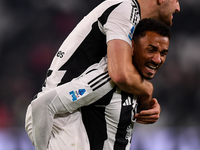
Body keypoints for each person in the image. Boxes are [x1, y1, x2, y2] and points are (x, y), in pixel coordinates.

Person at [25, 0, 180, 149]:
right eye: (176, 0)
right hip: (60, 109)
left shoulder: (130, 21)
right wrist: (146, 89)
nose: (178, 7)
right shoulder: (125, 9)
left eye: (163, 52)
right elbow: (119, 74)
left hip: (69, 104)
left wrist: (142, 103)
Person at [80, 18, 171, 150]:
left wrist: (146, 105)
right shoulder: (104, 80)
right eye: (151, 50)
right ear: (133, 46)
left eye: (163, 53)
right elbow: (45, 104)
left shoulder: (134, 86)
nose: (157, 60)